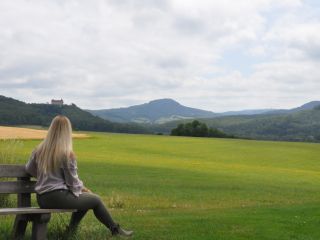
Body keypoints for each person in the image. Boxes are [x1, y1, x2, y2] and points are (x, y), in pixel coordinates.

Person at [25, 115, 133, 237]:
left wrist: (45, 177)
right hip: (58, 197)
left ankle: (71, 231)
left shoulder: (39, 150)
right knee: (95, 200)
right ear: (67, 132)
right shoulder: (67, 154)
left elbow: (29, 170)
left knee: (85, 198)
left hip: (42, 199)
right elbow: (73, 183)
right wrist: (85, 189)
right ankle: (115, 230)